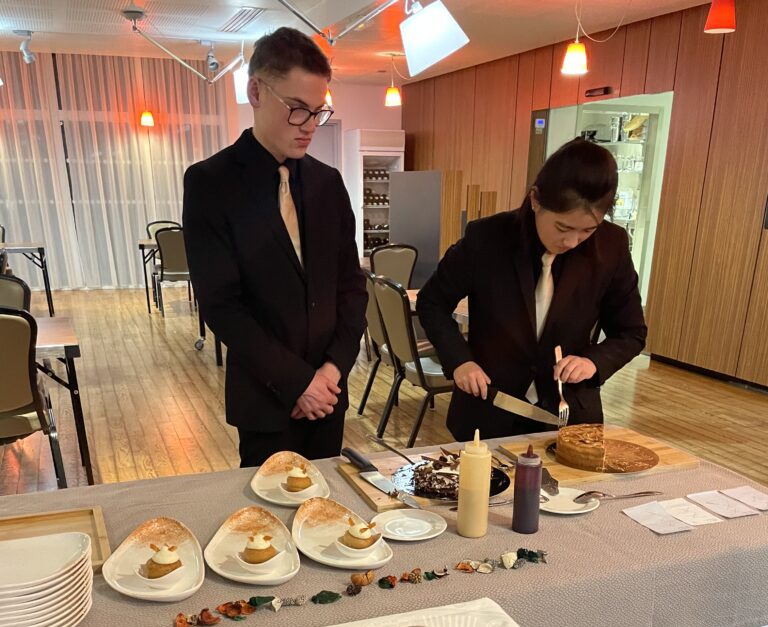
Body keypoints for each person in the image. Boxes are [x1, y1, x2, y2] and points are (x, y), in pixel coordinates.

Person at [183, 28, 367, 466]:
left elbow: (351, 287)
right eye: (297, 109)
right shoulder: (211, 182)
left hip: (329, 395)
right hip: (265, 399)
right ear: (256, 92)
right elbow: (221, 305)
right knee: (264, 507)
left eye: (317, 112)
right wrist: (298, 382)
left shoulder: (327, 182)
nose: (310, 126)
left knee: (327, 503)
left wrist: (331, 371)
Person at [416, 139, 647, 441]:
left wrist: (593, 362)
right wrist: (460, 361)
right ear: (536, 200)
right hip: (489, 407)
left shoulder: (611, 246)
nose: (572, 242)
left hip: (568, 415)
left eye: (587, 231)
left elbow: (630, 333)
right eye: (563, 228)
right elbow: (432, 302)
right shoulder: (487, 238)